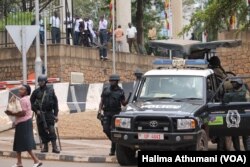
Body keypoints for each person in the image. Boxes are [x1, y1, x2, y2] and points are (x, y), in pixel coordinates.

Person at [5, 84, 42, 167]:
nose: (19, 91)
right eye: (20, 89)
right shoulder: (25, 99)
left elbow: (22, 113)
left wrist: (11, 112)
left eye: (22, 89)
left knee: (25, 144)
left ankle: (36, 161)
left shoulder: (23, 100)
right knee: (18, 144)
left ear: (26, 92)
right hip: (23, 122)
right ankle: (19, 162)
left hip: (23, 123)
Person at [97, 74, 129, 156]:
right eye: (110, 81)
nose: (111, 82)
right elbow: (102, 101)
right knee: (106, 129)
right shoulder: (105, 89)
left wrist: (129, 98)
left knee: (114, 131)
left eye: (113, 81)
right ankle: (117, 143)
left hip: (116, 113)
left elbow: (124, 104)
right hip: (107, 112)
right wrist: (99, 111)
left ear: (117, 81)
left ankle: (113, 149)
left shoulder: (120, 91)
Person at [30, 75, 60, 154]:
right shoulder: (36, 92)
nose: (40, 83)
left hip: (49, 113)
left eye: (42, 81)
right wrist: (36, 111)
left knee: (52, 130)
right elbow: (31, 103)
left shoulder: (51, 90)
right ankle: (45, 146)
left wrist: (56, 114)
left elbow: (55, 103)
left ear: (45, 82)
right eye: (39, 82)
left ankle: (54, 147)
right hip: (40, 114)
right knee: (42, 131)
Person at [223, 78, 250, 151]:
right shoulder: (229, 93)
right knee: (235, 136)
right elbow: (225, 103)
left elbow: (248, 103)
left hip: (243, 116)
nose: (233, 84)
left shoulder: (245, 92)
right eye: (232, 83)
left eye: (235, 83)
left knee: (246, 136)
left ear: (239, 84)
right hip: (233, 115)